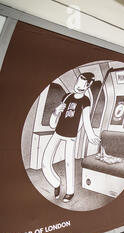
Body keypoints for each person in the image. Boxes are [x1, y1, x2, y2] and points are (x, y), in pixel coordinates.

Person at [42, 73, 101, 203]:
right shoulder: (67, 96)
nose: (80, 87)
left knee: (69, 163)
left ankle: (70, 192)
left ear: (89, 86)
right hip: (58, 132)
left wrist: (91, 135)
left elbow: (86, 120)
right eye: (78, 83)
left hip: (71, 136)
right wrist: (56, 111)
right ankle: (56, 183)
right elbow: (56, 117)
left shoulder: (86, 101)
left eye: (84, 85)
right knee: (45, 162)